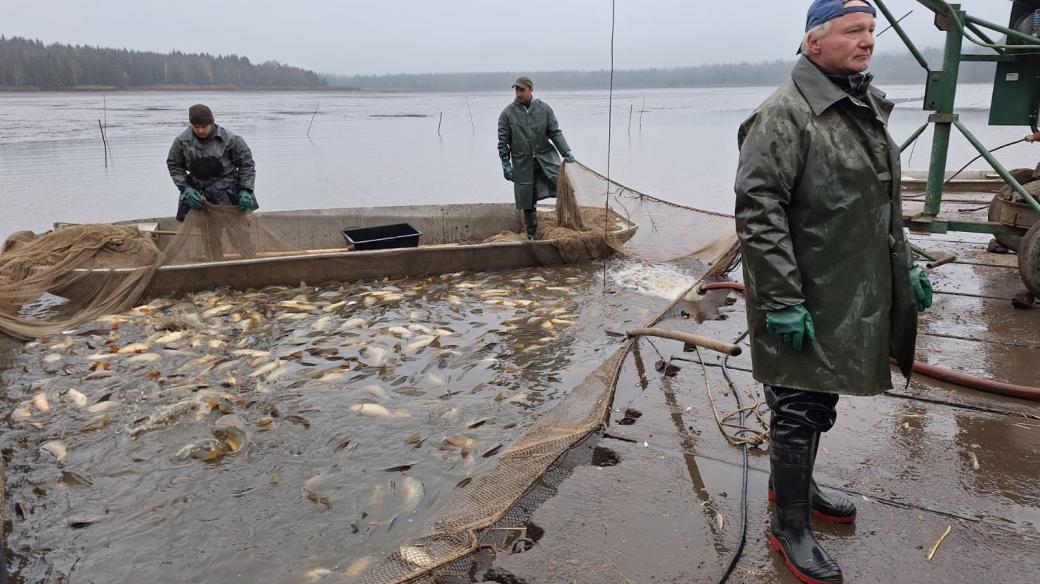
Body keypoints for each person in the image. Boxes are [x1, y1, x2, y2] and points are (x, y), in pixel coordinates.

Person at [733, 1, 933, 582]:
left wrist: (908, 266)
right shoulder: (785, 113)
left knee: (815, 402)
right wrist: (780, 301)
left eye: (871, 30)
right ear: (813, 43)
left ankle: (797, 488)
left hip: (848, 286)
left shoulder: (859, 103)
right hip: (804, 289)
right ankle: (788, 525)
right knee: (798, 404)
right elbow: (758, 212)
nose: (867, 40)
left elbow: (883, 203)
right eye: (853, 31)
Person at [166, 104, 259, 259]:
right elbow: (173, 165)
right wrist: (185, 189)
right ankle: (216, 269)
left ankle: (251, 262)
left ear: (212, 123)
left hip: (228, 193)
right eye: (196, 127)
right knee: (210, 237)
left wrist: (246, 190)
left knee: (239, 234)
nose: (201, 130)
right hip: (201, 195)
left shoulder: (231, 140)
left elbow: (247, 164)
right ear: (191, 125)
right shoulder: (182, 142)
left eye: (204, 126)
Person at [497, 76, 574, 239]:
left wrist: (566, 151)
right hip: (522, 163)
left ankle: (571, 221)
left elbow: (554, 132)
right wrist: (506, 164)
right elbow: (503, 142)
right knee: (527, 199)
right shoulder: (507, 114)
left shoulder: (544, 109)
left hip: (545, 158)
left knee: (563, 186)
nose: (518, 94)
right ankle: (531, 234)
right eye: (516, 90)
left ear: (531, 89)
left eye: (522, 90)